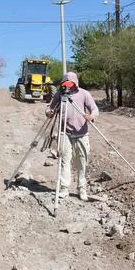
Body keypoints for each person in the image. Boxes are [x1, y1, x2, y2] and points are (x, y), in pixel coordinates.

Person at [45, 71, 98, 201]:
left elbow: (95, 110)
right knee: (64, 160)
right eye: (66, 83)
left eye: (71, 83)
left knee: (82, 162)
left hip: (81, 133)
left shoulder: (84, 94)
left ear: (75, 83)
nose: (68, 86)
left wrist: (91, 116)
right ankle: (64, 189)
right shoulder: (59, 94)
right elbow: (49, 108)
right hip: (65, 133)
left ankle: (82, 189)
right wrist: (49, 112)